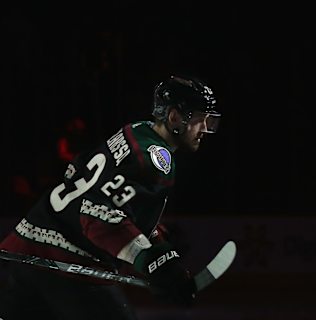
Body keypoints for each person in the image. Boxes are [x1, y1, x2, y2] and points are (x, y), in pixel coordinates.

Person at [0, 74, 222, 320]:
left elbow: (81, 175)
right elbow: (96, 213)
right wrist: (151, 261)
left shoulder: (135, 132)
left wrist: (162, 256)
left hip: (26, 251)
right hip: (68, 266)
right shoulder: (156, 162)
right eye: (201, 120)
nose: (205, 129)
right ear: (175, 117)